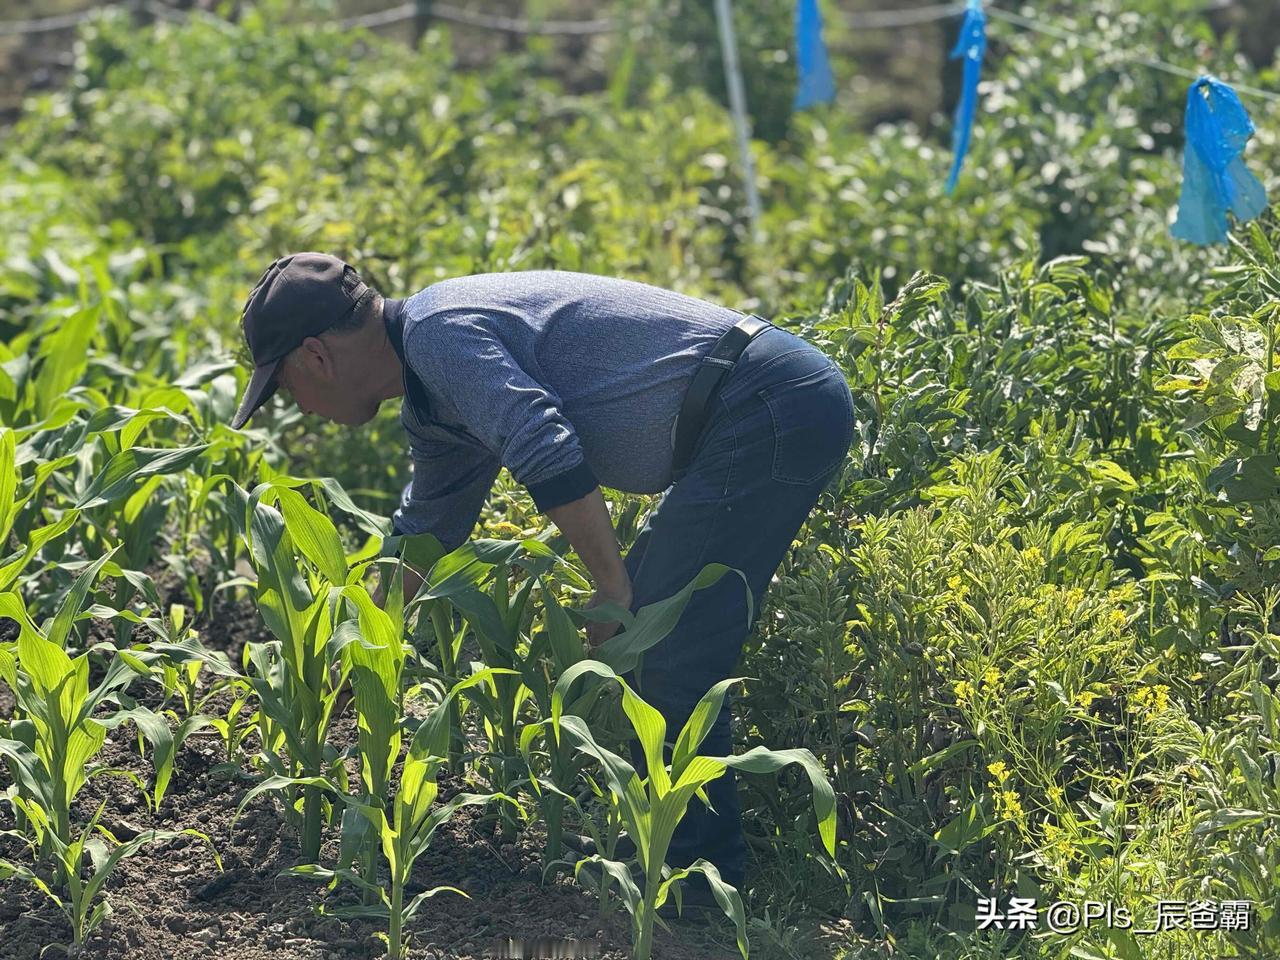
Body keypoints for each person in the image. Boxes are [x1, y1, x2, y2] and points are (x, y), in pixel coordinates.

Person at [227, 251, 854, 914]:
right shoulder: (433, 399)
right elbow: (427, 534)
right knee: (653, 639)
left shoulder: (440, 333)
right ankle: (679, 864)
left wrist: (610, 587)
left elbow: (544, 443)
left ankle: (700, 892)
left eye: (285, 388)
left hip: (766, 402)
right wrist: (351, 666)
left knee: (667, 643)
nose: (295, 407)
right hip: (752, 404)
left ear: (316, 357)